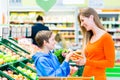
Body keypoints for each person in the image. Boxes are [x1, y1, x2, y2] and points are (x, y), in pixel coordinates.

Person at [76, 7, 115, 80]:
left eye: (82, 20)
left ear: (91, 17)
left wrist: (87, 62)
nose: (81, 24)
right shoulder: (89, 36)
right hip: (86, 76)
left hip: (97, 77)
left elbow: (110, 63)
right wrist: (74, 55)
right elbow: (90, 56)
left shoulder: (106, 37)